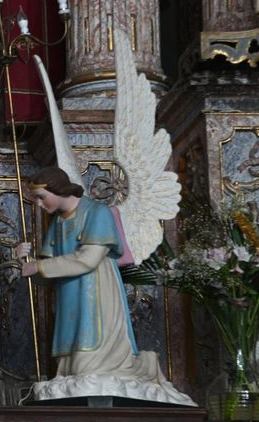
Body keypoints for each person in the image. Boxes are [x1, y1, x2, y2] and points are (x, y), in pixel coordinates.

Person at [14, 167, 192, 404]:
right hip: (69, 295)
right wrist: (25, 263)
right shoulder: (57, 222)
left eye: (40, 197)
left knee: (90, 366)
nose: (38, 204)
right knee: (72, 367)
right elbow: (47, 275)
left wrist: (40, 267)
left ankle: (146, 365)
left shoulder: (96, 213)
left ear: (58, 189)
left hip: (95, 291)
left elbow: (88, 259)